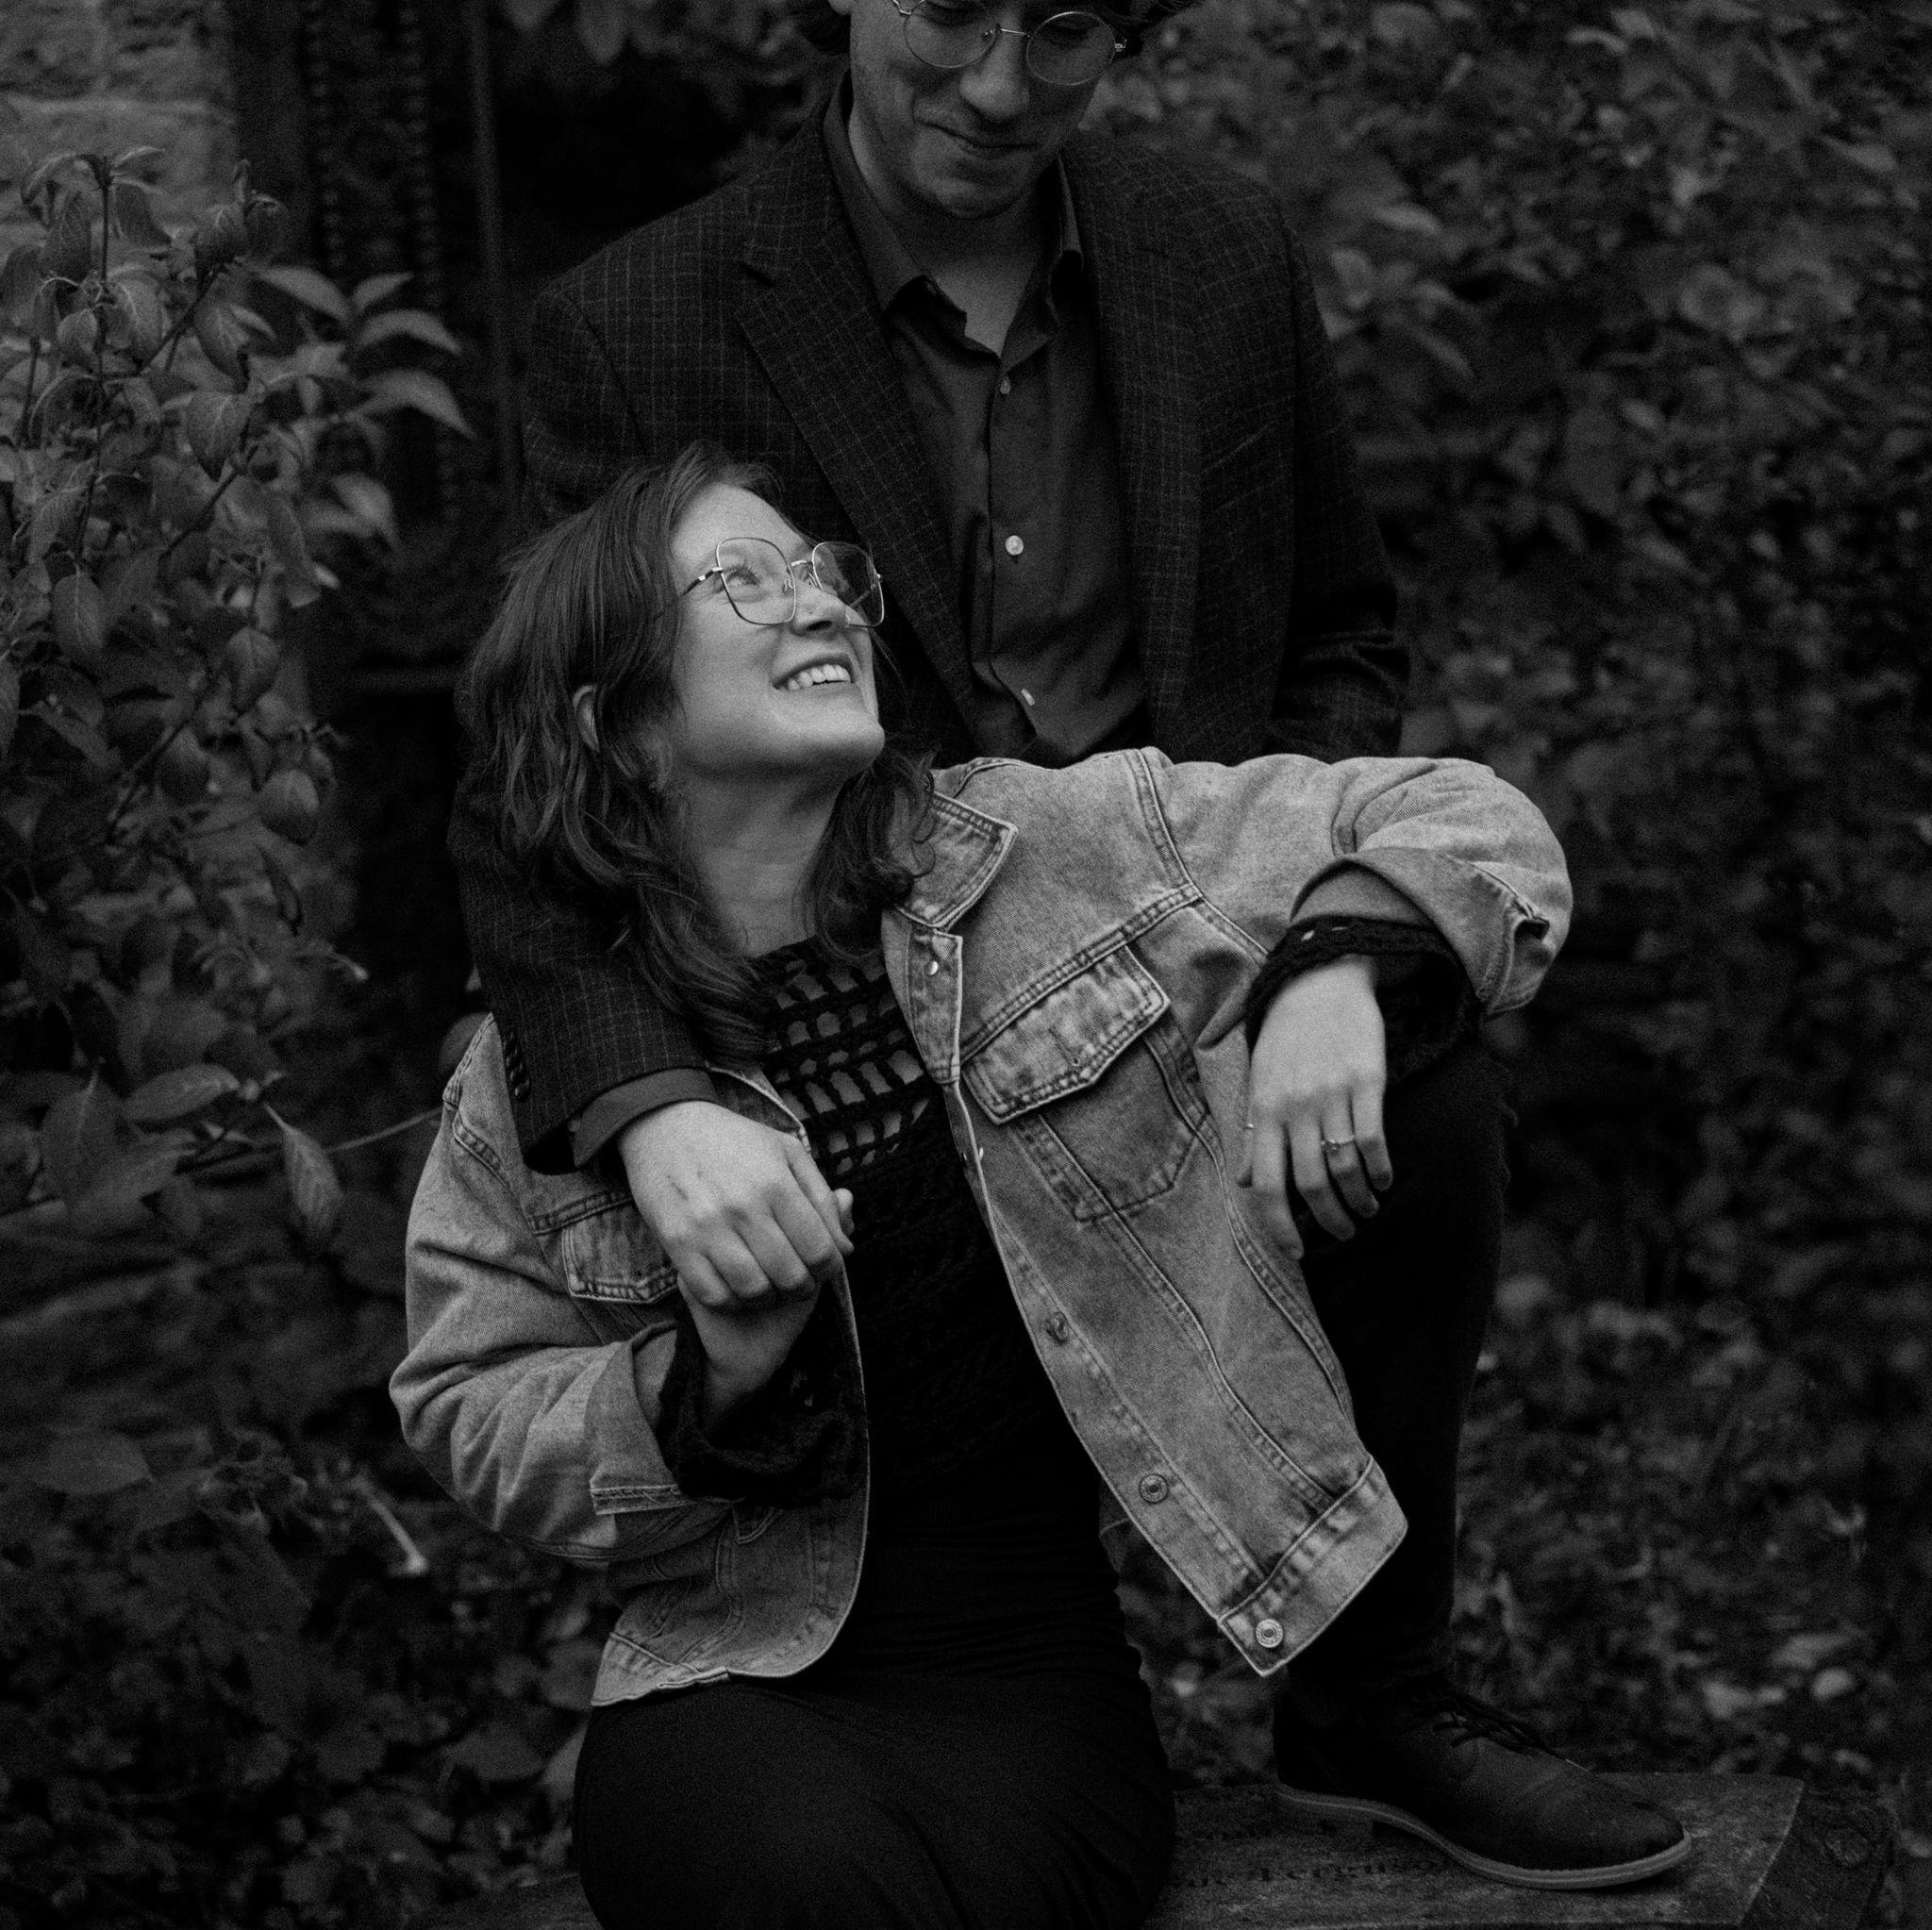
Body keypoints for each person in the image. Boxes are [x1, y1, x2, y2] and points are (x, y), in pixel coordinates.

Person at [448, 2, 1598, 1872]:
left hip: (1168, 960)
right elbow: (531, 761)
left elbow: (1337, 640)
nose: (999, 85)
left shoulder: (1212, 249)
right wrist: (653, 1107)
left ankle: (1370, 1696)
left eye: (1060, 24)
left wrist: (1324, 949)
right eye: (953, 14)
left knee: (1422, 1079)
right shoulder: (642, 319)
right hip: (856, 1000)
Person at [398, 448, 1688, 1928]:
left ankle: (1378, 1697)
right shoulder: (544, 1071)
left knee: (1418, 1042)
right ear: (613, 721)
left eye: (822, 570)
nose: (817, 602)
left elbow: (1467, 815)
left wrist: (1340, 961)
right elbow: (467, 1394)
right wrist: (707, 1382)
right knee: (797, 1882)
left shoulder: (1045, 851)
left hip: (1029, 1676)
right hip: (735, 1673)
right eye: (741, 580)